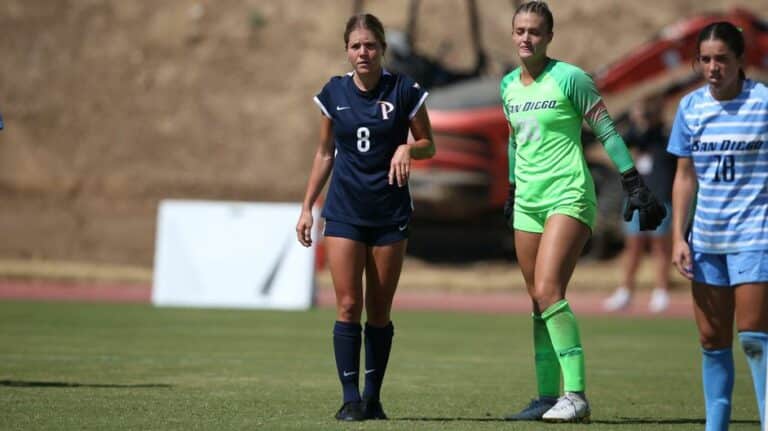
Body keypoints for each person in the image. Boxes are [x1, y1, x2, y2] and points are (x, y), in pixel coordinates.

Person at [499, 1, 666, 423]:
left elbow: (606, 130)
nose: (526, 38)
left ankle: (576, 395)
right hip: (528, 202)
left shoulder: (571, 78)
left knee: (550, 290)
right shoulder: (507, 86)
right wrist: (512, 188)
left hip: (569, 195)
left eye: (535, 31)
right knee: (538, 301)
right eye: (520, 30)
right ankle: (544, 397)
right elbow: (514, 141)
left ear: (549, 36)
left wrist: (632, 181)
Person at [295, 13, 435, 422]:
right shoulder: (334, 92)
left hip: (390, 214)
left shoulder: (404, 89)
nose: (363, 52)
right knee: (348, 304)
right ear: (346, 50)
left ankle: (373, 399)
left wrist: (410, 149)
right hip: (344, 212)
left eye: (370, 45)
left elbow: (429, 143)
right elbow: (324, 154)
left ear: (382, 50)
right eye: (356, 46)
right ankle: (349, 398)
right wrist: (307, 206)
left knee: (379, 309)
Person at [667, 21, 767, 431]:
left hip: (756, 236)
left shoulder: (763, 103)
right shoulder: (690, 108)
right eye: (705, 60)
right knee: (711, 340)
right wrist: (678, 236)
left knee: (753, 338)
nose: (713, 67)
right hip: (706, 240)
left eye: (722, 59)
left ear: (740, 60)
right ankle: (716, 426)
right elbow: (684, 176)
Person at [603, 97, 677, 313]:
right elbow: (618, 140)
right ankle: (625, 291)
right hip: (637, 197)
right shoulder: (638, 135)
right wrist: (633, 119)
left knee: (659, 246)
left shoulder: (666, 136)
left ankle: (661, 291)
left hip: (660, 198)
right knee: (633, 246)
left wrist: (651, 120)